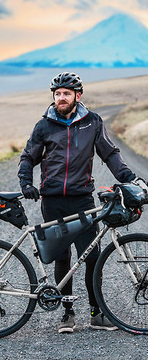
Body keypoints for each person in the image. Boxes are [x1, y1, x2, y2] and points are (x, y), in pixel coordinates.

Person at [18, 71, 137, 334]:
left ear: (77, 96)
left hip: (83, 198)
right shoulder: (44, 126)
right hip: (52, 201)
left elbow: (110, 154)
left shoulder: (92, 122)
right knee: (62, 257)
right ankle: (67, 313)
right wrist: (26, 182)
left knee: (92, 256)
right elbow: (28, 157)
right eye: (57, 94)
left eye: (66, 94)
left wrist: (129, 178)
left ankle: (97, 313)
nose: (61, 98)